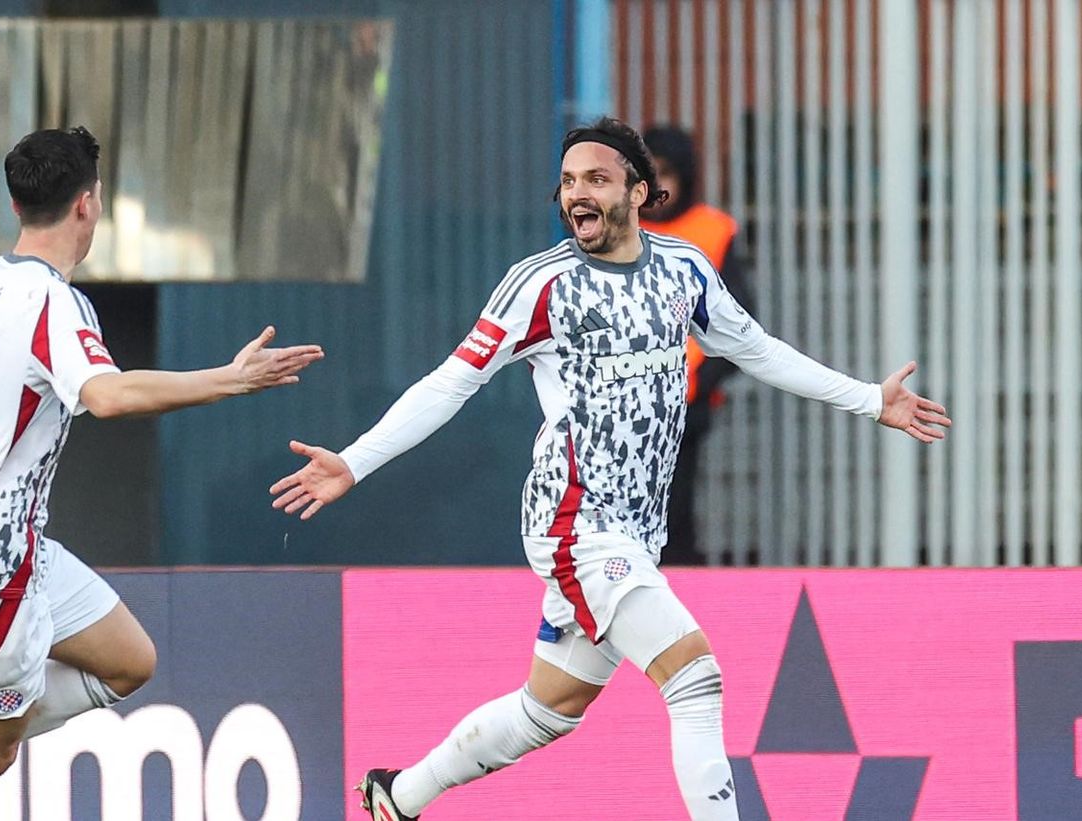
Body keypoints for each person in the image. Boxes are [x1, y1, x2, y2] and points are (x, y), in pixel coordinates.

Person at [270, 116, 950, 821]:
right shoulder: (540, 284)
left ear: (639, 192)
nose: (577, 194)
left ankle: (398, 796)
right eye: (568, 181)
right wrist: (354, 461)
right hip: (574, 523)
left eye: (596, 179)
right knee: (695, 677)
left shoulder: (685, 269)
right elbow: (450, 383)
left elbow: (757, 349)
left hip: (636, 533)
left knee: (548, 710)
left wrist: (869, 398)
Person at [0, 126, 323, 820]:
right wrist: (232, 379)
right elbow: (108, 394)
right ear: (88, 205)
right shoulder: (53, 303)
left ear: (15, 205)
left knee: (130, 660)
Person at [638, 124, 751, 564]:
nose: (658, 187)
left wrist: (701, 383)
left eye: (667, 173)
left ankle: (678, 586)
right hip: (620, 395)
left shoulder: (713, 231)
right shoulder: (614, 229)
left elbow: (741, 321)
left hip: (687, 397)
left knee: (675, 504)